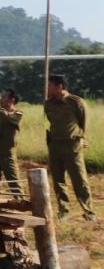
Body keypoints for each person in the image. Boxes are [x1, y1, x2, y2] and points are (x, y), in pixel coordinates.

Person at [44, 74, 96, 220]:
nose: (47, 88)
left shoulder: (76, 102)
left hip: (72, 146)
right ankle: (63, 211)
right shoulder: (48, 104)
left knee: (79, 179)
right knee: (58, 180)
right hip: (55, 146)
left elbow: (83, 122)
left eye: (50, 85)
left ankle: (89, 211)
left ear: (59, 86)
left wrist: (82, 138)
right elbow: (50, 121)